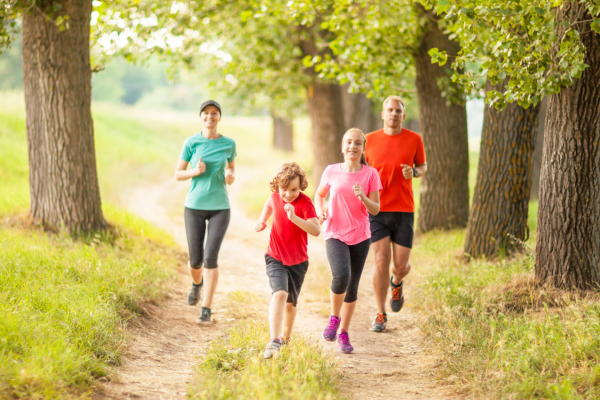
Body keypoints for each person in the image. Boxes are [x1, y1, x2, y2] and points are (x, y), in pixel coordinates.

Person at [315, 128, 382, 354]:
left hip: (360, 235)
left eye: (357, 143)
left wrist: (363, 196)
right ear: (342, 147)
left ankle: (343, 332)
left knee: (352, 287)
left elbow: (376, 208)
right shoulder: (331, 171)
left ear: (363, 148)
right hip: (334, 231)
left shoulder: (371, 174)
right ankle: (334, 318)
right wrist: (319, 211)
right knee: (341, 275)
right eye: (349, 142)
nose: (352, 146)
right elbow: (319, 194)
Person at [364, 95, 427, 333]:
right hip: (377, 209)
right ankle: (380, 313)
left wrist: (415, 172)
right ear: (383, 114)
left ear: (403, 114)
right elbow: (358, 169)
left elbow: (423, 165)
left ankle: (397, 283)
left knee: (400, 266)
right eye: (389, 110)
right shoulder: (369, 140)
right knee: (380, 260)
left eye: (398, 111)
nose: (393, 114)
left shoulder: (414, 139)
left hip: (403, 209)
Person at [175, 100, 236, 324]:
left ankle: (206, 308)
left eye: (214, 113)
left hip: (220, 207)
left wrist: (231, 175)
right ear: (201, 117)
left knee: (211, 258)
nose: (210, 116)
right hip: (194, 207)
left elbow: (231, 167)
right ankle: (196, 283)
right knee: (196, 260)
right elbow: (177, 173)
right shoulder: (191, 142)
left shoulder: (228, 143)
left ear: (219, 117)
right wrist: (194, 171)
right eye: (206, 113)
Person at [255, 162, 320, 359]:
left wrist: (295, 219)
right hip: (275, 256)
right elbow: (269, 204)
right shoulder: (275, 196)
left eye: (294, 189)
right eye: (284, 190)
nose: (288, 194)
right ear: (277, 187)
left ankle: (285, 338)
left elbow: (316, 230)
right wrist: (262, 220)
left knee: (291, 303)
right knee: (280, 293)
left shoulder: (305, 203)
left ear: (301, 186)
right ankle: (274, 341)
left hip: (298, 262)